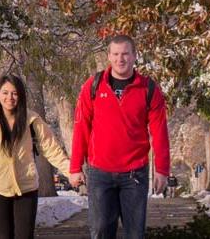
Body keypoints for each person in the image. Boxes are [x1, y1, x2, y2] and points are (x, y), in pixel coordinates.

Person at [68, 35, 171, 239]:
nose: (120, 59)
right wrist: (75, 167)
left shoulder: (148, 89)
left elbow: (160, 132)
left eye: (125, 53)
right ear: (109, 56)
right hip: (100, 173)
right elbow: (81, 128)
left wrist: (162, 170)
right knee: (100, 232)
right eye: (115, 54)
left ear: (134, 56)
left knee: (135, 234)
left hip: (135, 174)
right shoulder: (93, 86)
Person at [0, 75, 76, 239]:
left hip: (26, 189)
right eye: (5, 92)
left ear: (21, 95)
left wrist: (71, 172)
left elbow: (51, 149)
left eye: (14, 93)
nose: (9, 98)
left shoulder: (32, 120)